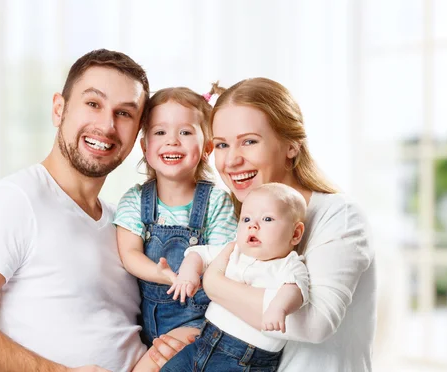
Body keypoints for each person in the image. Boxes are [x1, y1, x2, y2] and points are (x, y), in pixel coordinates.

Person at [0, 49, 186, 372]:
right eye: (93, 104)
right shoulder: (17, 200)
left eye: (124, 113)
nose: (106, 125)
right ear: (59, 109)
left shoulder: (124, 223)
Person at [169, 78, 376, 372]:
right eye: (223, 145)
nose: (231, 160)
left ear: (291, 145)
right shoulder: (245, 223)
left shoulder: (338, 215)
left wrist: (215, 284)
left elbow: (315, 323)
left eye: (249, 141)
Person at [113, 87, 238, 369]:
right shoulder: (135, 200)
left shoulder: (217, 201)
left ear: (207, 148)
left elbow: (221, 258)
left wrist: (189, 273)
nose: (172, 141)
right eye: (160, 132)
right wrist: (159, 273)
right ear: (144, 147)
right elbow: (129, 253)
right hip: (151, 325)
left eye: (185, 132)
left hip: (202, 321)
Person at [161, 182, 310, 371]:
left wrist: (278, 307)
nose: (253, 226)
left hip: (244, 359)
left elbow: (295, 289)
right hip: (203, 341)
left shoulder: (288, 264)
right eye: (246, 219)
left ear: (296, 234)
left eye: (267, 219)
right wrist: (188, 274)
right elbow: (198, 254)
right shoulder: (234, 251)